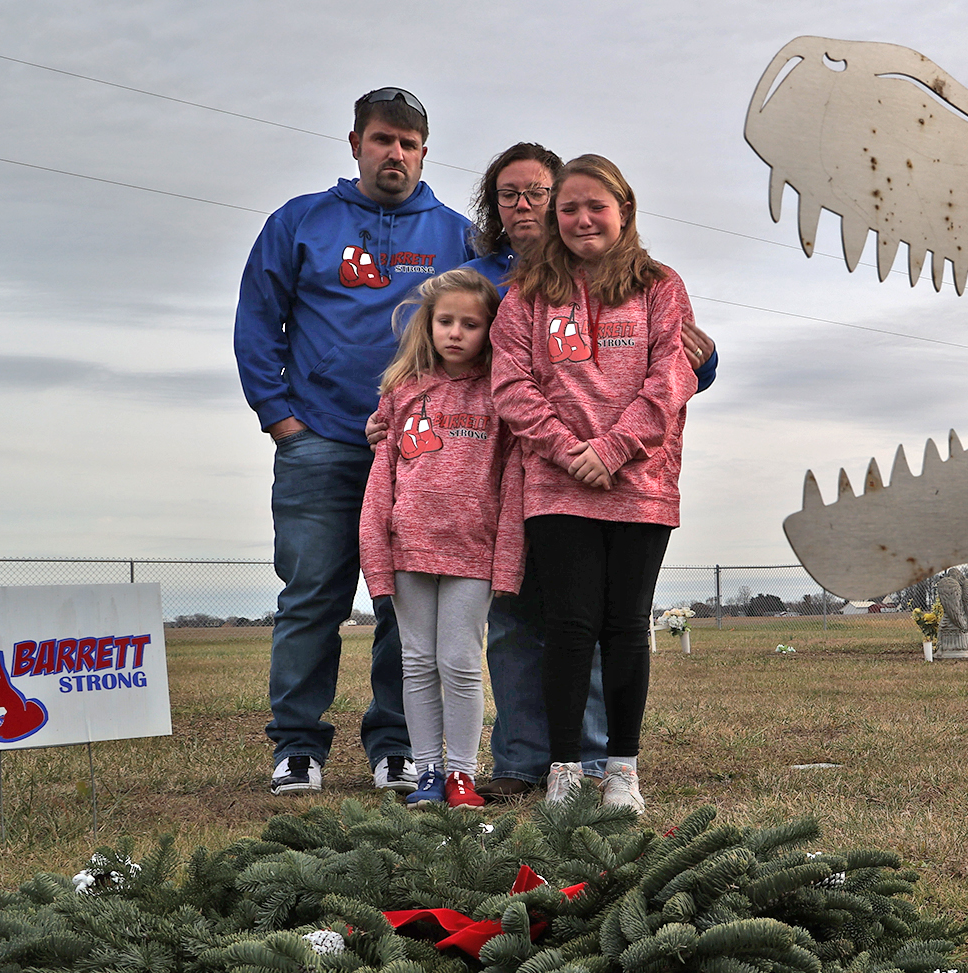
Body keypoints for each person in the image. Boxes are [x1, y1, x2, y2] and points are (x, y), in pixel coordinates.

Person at [235, 87, 474, 795]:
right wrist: (281, 418)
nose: (394, 153)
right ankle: (297, 747)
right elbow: (257, 320)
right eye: (381, 139)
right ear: (355, 143)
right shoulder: (301, 222)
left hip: (422, 455)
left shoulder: (457, 235)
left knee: (408, 601)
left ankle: (398, 744)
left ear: (425, 152)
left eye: (407, 142)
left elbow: (511, 316)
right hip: (321, 444)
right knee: (312, 594)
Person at [460, 143, 717, 801]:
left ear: (623, 210)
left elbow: (672, 375)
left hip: (641, 484)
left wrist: (614, 449)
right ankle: (567, 771)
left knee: (625, 626)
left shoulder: (661, 286)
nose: (580, 218)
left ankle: (622, 769)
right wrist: (568, 448)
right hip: (557, 484)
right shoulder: (526, 296)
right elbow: (511, 385)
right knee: (570, 627)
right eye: (568, 207)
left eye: (594, 206)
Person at [358, 268, 517, 810]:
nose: (455, 333)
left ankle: (462, 777)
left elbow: (512, 485)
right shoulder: (401, 393)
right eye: (445, 321)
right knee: (417, 662)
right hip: (409, 552)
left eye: (469, 324)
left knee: (461, 662)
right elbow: (382, 481)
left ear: (490, 330)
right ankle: (427, 774)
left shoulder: (503, 397)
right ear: (428, 325)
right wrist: (376, 558)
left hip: (474, 553)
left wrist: (508, 562)